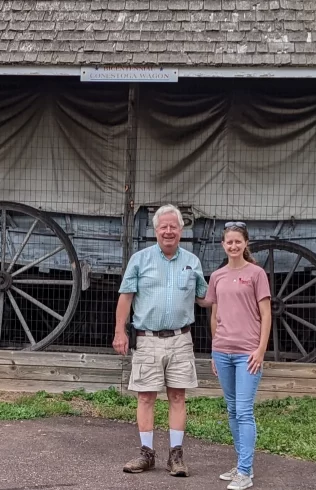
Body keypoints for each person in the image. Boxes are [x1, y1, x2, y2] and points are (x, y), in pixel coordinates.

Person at [113, 204, 208, 477]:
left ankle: (176, 456)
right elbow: (126, 298)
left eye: (173, 226)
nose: (168, 231)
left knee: (178, 395)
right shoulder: (140, 260)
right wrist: (120, 332)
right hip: (148, 340)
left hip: (181, 339)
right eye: (163, 227)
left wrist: (234, 288)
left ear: (181, 230)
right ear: (155, 231)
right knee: (146, 396)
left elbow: (204, 297)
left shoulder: (192, 262)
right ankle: (146, 454)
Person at [207, 221, 272, 490]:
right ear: (223, 245)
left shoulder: (256, 274)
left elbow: (266, 314)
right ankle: (242, 463)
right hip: (223, 352)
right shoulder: (217, 276)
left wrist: (260, 350)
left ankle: (245, 472)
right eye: (228, 242)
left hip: (248, 354)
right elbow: (214, 314)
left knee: (244, 411)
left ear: (246, 244)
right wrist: (213, 349)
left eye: (238, 241)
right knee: (232, 410)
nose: (233, 246)